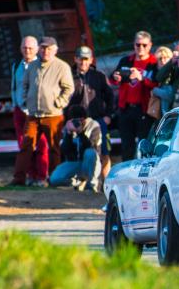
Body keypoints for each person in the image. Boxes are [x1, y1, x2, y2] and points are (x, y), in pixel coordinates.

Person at [11, 36, 74, 187]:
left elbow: (69, 88)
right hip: (33, 115)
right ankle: (18, 179)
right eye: (43, 48)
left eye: (49, 48)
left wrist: (58, 103)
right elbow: (24, 85)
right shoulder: (33, 66)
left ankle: (54, 179)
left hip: (53, 115)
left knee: (53, 148)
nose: (46, 51)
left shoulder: (62, 66)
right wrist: (26, 101)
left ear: (55, 50)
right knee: (26, 146)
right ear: (40, 49)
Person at [66, 45, 114, 184]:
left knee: (104, 152)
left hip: (99, 120)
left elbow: (110, 97)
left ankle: (105, 183)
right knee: (78, 152)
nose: (83, 62)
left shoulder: (99, 76)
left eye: (86, 59)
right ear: (75, 59)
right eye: (80, 59)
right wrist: (67, 119)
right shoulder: (68, 76)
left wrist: (108, 116)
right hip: (77, 122)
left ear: (91, 59)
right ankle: (81, 182)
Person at [113, 31, 158, 161]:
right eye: (138, 45)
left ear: (150, 45)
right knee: (127, 145)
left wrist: (142, 78)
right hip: (126, 108)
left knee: (143, 145)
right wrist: (116, 77)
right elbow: (113, 78)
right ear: (134, 45)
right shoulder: (126, 60)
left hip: (144, 109)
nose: (141, 48)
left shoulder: (153, 63)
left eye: (144, 45)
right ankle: (127, 176)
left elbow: (157, 85)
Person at [11, 36, 49, 185]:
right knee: (24, 146)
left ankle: (41, 177)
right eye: (25, 48)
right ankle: (31, 176)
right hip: (20, 110)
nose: (27, 51)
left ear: (37, 49)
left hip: (37, 112)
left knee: (41, 145)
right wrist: (15, 104)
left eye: (30, 48)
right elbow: (14, 86)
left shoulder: (41, 65)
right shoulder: (16, 65)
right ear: (21, 48)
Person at [50, 105, 102, 192]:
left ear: (83, 119)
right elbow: (65, 150)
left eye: (78, 120)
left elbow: (91, 146)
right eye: (73, 120)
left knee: (90, 152)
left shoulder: (94, 125)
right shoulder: (68, 127)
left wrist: (80, 132)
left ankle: (92, 184)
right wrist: (69, 134)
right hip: (75, 163)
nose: (76, 122)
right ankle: (76, 182)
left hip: (91, 164)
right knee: (54, 179)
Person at [151, 45, 177, 115]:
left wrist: (155, 90)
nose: (162, 61)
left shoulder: (173, 72)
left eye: (165, 58)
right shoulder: (157, 73)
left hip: (172, 113)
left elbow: (169, 95)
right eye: (160, 58)